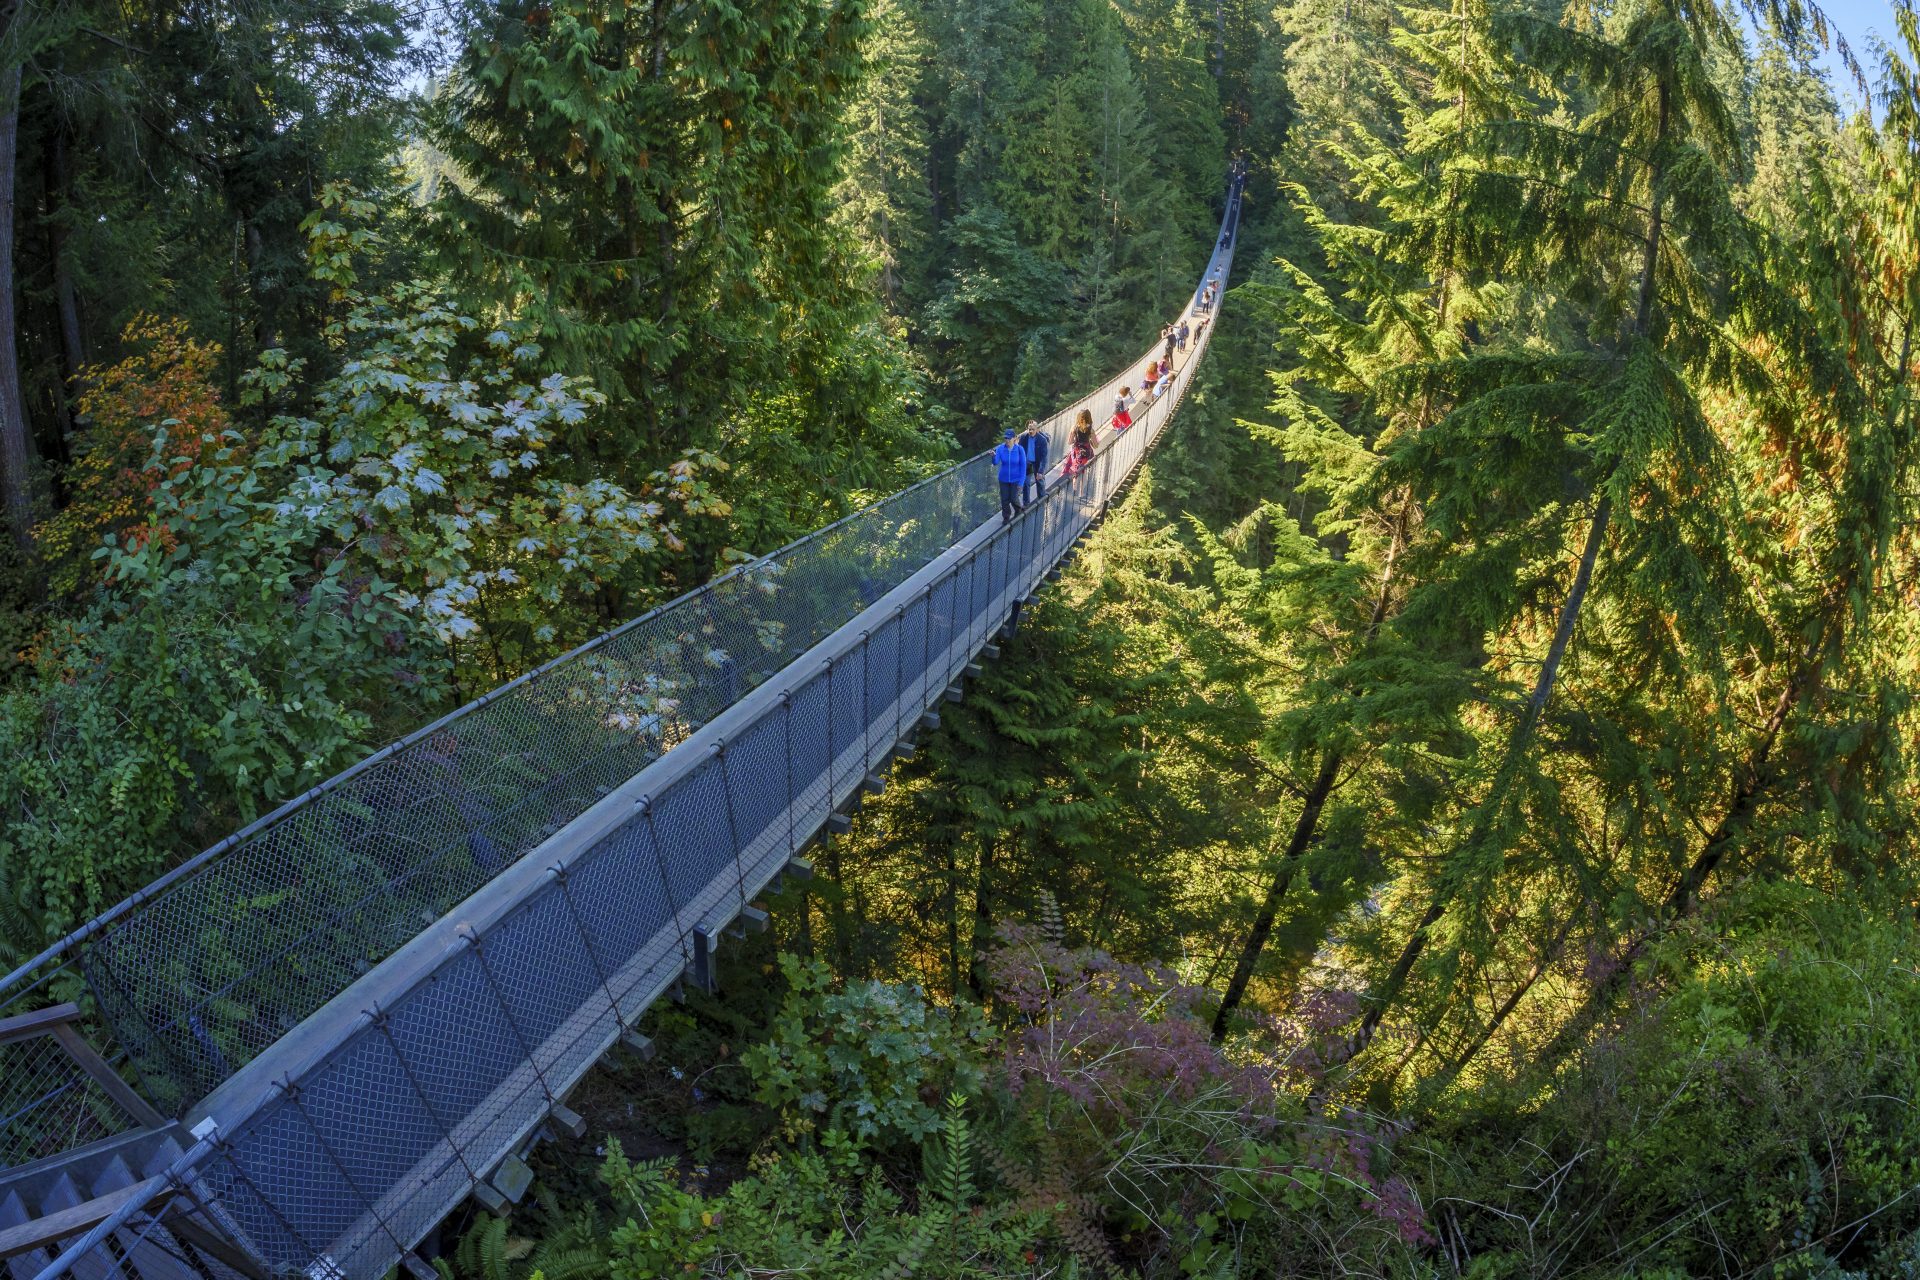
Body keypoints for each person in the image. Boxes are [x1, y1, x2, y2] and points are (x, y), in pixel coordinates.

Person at [993, 427, 1027, 524]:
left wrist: (1021, 482)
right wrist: (993, 456)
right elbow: (995, 462)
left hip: (1015, 479)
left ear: (1014, 438)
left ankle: (1018, 509)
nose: (1007, 440)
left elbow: (1023, 467)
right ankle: (1006, 517)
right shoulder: (1000, 448)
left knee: (1013, 498)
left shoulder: (1020, 450)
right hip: (1003, 479)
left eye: (1009, 438)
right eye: (1006, 438)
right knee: (1004, 499)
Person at [1020, 419, 1050, 504]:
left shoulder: (1042, 440)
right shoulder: (1023, 437)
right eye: (1029, 429)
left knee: (1039, 481)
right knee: (1026, 482)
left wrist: (1040, 471)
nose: (1031, 431)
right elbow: (1019, 451)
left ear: (1037, 429)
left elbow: (1044, 457)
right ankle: (1026, 504)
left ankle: (1041, 500)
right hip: (1027, 463)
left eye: (1033, 429)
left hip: (1037, 462)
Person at [1063, 409, 1096, 478]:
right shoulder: (1091, 430)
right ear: (1089, 418)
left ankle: (1074, 487)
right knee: (1086, 472)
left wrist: (1076, 439)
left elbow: (1069, 442)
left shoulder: (1074, 428)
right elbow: (1096, 445)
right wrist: (1090, 441)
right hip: (1087, 452)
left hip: (1076, 452)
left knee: (1075, 471)